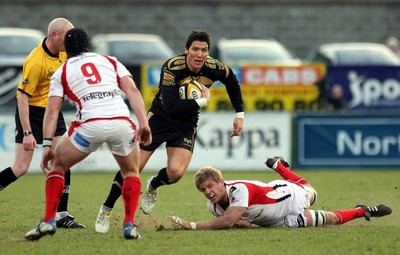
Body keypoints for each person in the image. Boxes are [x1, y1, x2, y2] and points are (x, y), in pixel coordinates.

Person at [94, 30, 245, 233]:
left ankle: (153, 184)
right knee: (132, 168)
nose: (200, 55)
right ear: (186, 50)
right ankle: (107, 208)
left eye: (204, 50)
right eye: (195, 50)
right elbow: (172, 107)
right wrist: (203, 101)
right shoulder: (172, 67)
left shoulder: (214, 67)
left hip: (185, 124)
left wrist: (239, 114)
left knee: (175, 174)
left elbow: (232, 81)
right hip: (159, 119)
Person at [24, 28, 152, 241]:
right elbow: (132, 90)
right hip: (121, 123)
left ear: (66, 49)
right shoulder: (110, 61)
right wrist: (144, 123)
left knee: (57, 165)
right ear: (87, 45)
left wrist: (47, 145)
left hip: (89, 126)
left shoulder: (62, 71)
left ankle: (48, 220)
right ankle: (129, 225)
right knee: (131, 172)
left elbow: (52, 111)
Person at [0, 17, 85, 228]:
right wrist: (28, 132)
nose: (71, 40)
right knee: (20, 167)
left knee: (63, 159)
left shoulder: (66, 53)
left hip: (53, 111)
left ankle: (62, 214)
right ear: (54, 36)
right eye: (67, 36)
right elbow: (22, 98)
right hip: (32, 112)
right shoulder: (36, 61)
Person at [169, 156, 392, 230]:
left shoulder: (238, 189)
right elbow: (242, 224)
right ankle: (362, 211)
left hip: (290, 195)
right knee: (331, 219)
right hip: (282, 221)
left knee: (312, 191)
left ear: (220, 182)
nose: (207, 192)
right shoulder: (214, 206)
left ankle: (280, 168)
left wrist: (193, 226)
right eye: (203, 190)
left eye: (210, 186)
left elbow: (228, 221)